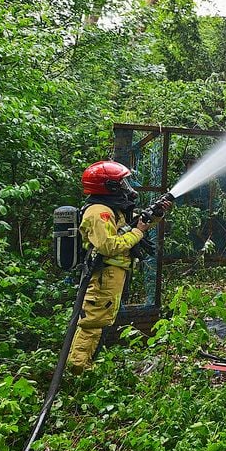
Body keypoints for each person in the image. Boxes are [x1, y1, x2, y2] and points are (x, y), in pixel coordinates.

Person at [69, 160, 161, 374]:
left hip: (114, 273)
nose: (126, 187)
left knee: (102, 320)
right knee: (93, 322)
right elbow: (108, 245)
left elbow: (128, 229)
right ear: (108, 187)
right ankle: (78, 370)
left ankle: (86, 366)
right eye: (120, 183)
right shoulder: (98, 212)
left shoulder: (111, 208)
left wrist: (155, 215)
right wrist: (138, 232)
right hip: (104, 275)